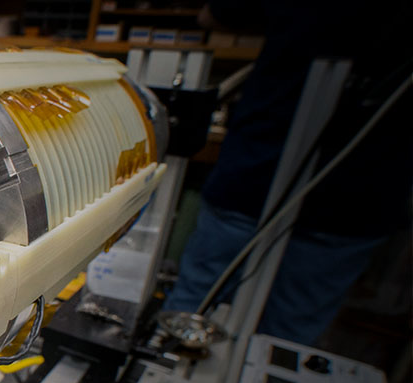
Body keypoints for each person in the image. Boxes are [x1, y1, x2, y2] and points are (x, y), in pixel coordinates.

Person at [162, 1, 413, 345]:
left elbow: (213, 16)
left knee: (202, 317)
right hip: (340, 190)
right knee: (279, 336)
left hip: (288, 179)